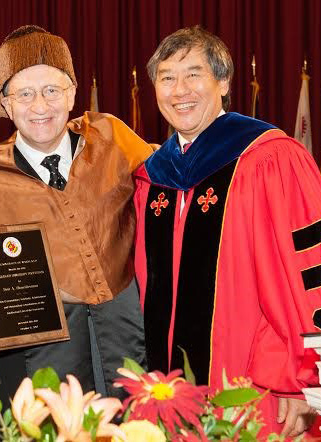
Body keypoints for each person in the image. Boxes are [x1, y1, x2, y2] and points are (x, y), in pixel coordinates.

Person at [134, 25, 321, 437]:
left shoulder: (271, 159)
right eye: (167, 78)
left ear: (223, 82)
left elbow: (305, 275)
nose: (179, 90)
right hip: (168, 392)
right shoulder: (154, 178)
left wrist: (297, 377)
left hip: (256, 383)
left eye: (193, 74)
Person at [0, 25, 154, 405]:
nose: (40, 106)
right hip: (45, 353)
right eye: (24, 94)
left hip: (128, 334)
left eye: (51, 90)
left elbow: (172, 187)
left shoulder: (112, 138)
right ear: (6, 105)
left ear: (73, 93)